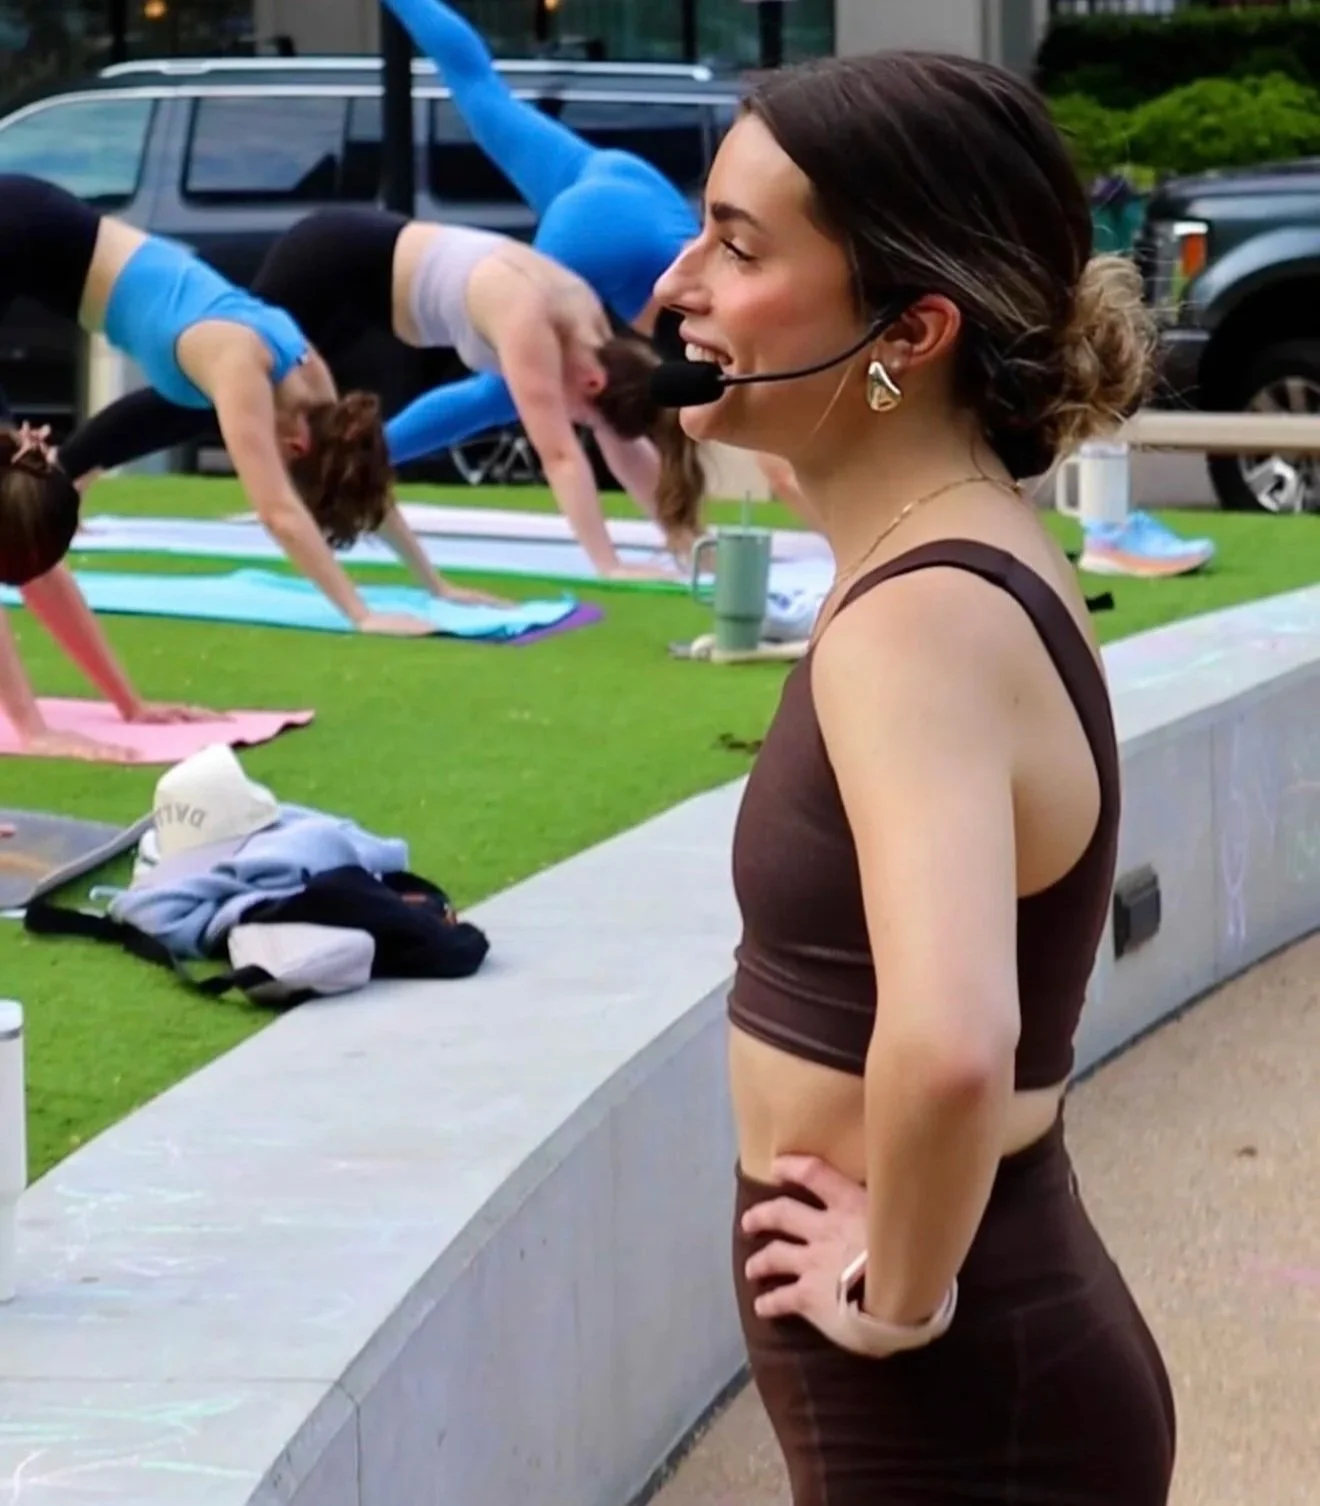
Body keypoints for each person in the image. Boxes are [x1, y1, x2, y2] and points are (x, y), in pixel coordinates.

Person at [654, 52, 1175, 1506]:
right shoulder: (954, 552)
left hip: (952, 1394)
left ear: (910, 330)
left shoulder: (917, 619)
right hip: (978, 1361)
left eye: (741, 246)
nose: (678, 284)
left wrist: (898, 1301)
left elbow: (951, 1044)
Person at [58, 208, 704, 581]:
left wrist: (681, 537)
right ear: (591, 382)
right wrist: (608, 563)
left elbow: (621, 446)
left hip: (362, 288)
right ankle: (68, 473)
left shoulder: (595, 339)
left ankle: (73, 472)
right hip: (333, 265)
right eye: (583, 408)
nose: (576, 417)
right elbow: (560, 455)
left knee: (230, 406)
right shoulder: (533, 323)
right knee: (204, 398)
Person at [0, 173, 445, 634]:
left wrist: (436, 585)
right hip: (19, 227)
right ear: (295, 447)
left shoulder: (311, 384)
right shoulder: (240, 366)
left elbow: (360, 477)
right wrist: (362, 614)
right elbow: (277, 511)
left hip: (33, 227)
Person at [374, 0, 705, 562]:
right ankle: (357, 460)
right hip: (618, 223)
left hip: (614, 179)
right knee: (517, 389)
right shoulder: (727, 348)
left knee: (482, 92)